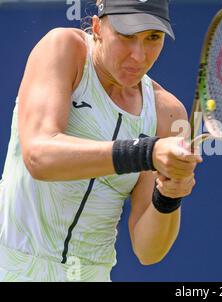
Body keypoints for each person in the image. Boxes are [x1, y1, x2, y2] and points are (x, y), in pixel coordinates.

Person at [0, 0, 202, 281]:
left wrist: (170, 194)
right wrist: (146, 151)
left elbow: (148, 251)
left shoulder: (167, 113)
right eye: (127, 36)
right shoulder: (63, 49)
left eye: (153, 38)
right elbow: (39, 155)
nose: (138, 55)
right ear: (97, 27)